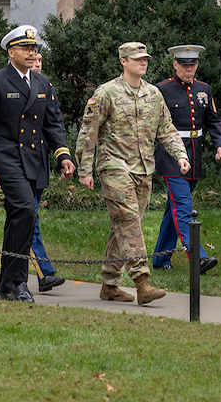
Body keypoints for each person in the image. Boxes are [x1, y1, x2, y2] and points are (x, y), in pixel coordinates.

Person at [76, 42, 190, 305]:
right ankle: (142, 282)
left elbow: (166, 129)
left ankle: (109, 284)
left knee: (125, 227)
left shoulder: (153, 94)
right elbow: (88, 132)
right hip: (114, 167)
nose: (143, 62)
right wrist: (85, 169)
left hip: (143, 169)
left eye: (145, 59)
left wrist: (180, 155)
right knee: (129, 221)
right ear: (123, 61)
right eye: (137, 59)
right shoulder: (106, 93)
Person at [0, 25, 75, 302]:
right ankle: (19, 282)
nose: (33, 53)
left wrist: (63, 155)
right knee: (26, 211)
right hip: (6, 156)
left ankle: (6, 285)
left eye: (35, 49)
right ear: (11, 52)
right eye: (26, 49)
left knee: (17, 219)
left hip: (32, 160)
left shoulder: (42, 83)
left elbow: (52, 124)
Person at [152, 44, 221, 274]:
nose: (188, 69)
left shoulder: (204, 89)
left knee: (173, 209)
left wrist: (220, 144)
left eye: (192, 65)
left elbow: (213, 120)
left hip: (194, 155)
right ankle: (199, 258)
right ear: (175, 64)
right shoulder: (162, 89)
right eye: (184, 64)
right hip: (171, 157)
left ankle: (160, 259)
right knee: (183, 208)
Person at [28, 48, 64, 292]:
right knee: (29, 217)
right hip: (18, 161)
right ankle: (45, 271)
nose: (38, 64)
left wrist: (63, 156)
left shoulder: (46, 86)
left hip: (39, 160)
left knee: (25, 218)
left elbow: (55, 123)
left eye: (41, 60)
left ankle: (11, 268)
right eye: (34, 60)